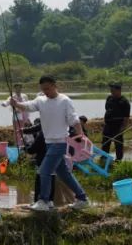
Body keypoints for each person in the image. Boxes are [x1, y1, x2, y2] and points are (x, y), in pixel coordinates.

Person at [11, 75, 90, 211]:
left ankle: (44, 200)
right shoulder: (41, 100)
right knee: (64, 173)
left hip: (60, 142)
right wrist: (16, 104)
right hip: (49, 143)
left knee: (44, 170)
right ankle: (82, 198)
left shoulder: (65, 100)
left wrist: (80, 135)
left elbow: (74, 119)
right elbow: (28, 106)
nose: (46, 92)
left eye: (47, 88)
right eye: (43, 89)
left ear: (54, 85)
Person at [101, 82, 131, 162]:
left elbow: (126, 118)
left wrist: (122, 129)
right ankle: (104, 158)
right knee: (105, 143)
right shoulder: (109, 98)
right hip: (108, 125)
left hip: (118, 126)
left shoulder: (124, 102)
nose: (111, 92)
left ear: (119, 90)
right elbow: (107, 110)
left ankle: (118, 160)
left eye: (113, 91)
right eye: (111, 90)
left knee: (118, 144)